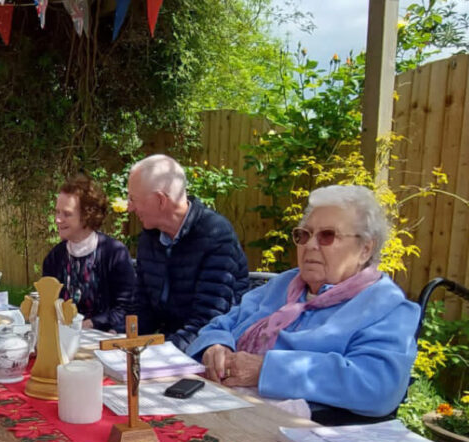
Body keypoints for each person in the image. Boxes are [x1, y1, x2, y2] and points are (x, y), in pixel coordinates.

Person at [185, 185, 418, 418]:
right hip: (223, 404)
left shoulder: (386, 306)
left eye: (327, 236)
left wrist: (266, 370)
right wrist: (216, 347)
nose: (310, 245)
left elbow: (377, 386)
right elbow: (220, 325)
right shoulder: (284, 284)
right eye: (304, 235)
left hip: (297, 427)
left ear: (365, 249)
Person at [127, 154, 250, 350]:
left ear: (160, 200)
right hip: (168, 346)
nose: (129, 207)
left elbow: (209, 321)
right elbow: (142, 310)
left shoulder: (215, 236)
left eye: (133, 199)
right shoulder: (149, 238)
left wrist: (160, 352)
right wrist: (122, 343)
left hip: (211, 349)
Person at [41, 174, 136, 333]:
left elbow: (126, 308)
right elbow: (48, 306)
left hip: (105, 339)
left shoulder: (115, 254)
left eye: (67, 214)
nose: (58, 219)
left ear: (87, 216)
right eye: (57, 212)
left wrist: (91, 324)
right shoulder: (54, 258)